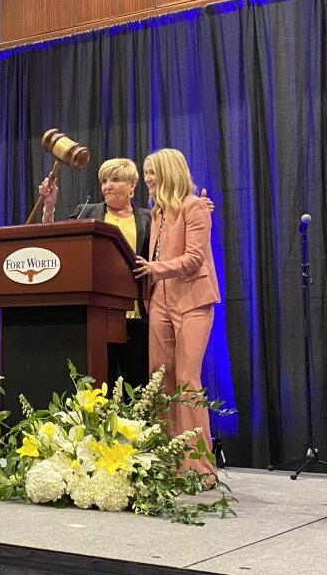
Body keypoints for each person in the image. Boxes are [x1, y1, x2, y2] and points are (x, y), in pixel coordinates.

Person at [133, 148, 220, 478]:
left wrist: (156, 268)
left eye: (152, 171)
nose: (147, 178)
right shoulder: (157, 213)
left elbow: (195, 258)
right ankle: (170, 462)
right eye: (145, 172)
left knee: (186, 381)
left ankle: (200, 468)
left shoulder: (194, 206)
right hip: (159, 302)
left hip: (193, 302)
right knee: (161, 381)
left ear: (169, 171)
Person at [39, 158, 152, 390]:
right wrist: (49, 205)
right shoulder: (87, 212)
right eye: (104, 181)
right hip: (98, 316)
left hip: (137, 314)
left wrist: (197, 209)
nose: (107, 186)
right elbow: (54, 238)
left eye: (115, 179)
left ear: (132, 186)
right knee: (100, 387)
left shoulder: (148, 218)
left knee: (138, 387)